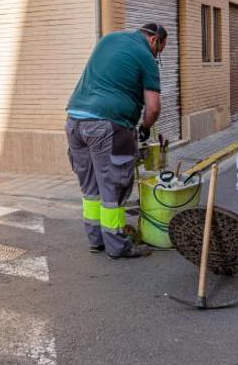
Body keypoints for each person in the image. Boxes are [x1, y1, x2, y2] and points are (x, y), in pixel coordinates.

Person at [65, 23, 167, 260]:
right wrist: (144, 128)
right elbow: (153, 108)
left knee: (90, 188)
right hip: (108, 126)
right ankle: (117, 246)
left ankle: (96, 240)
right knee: (114, 186)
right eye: (160, 49)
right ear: (154, 40)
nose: (158, 55)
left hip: (75, 121)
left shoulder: (108, 40)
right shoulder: (146, 56)